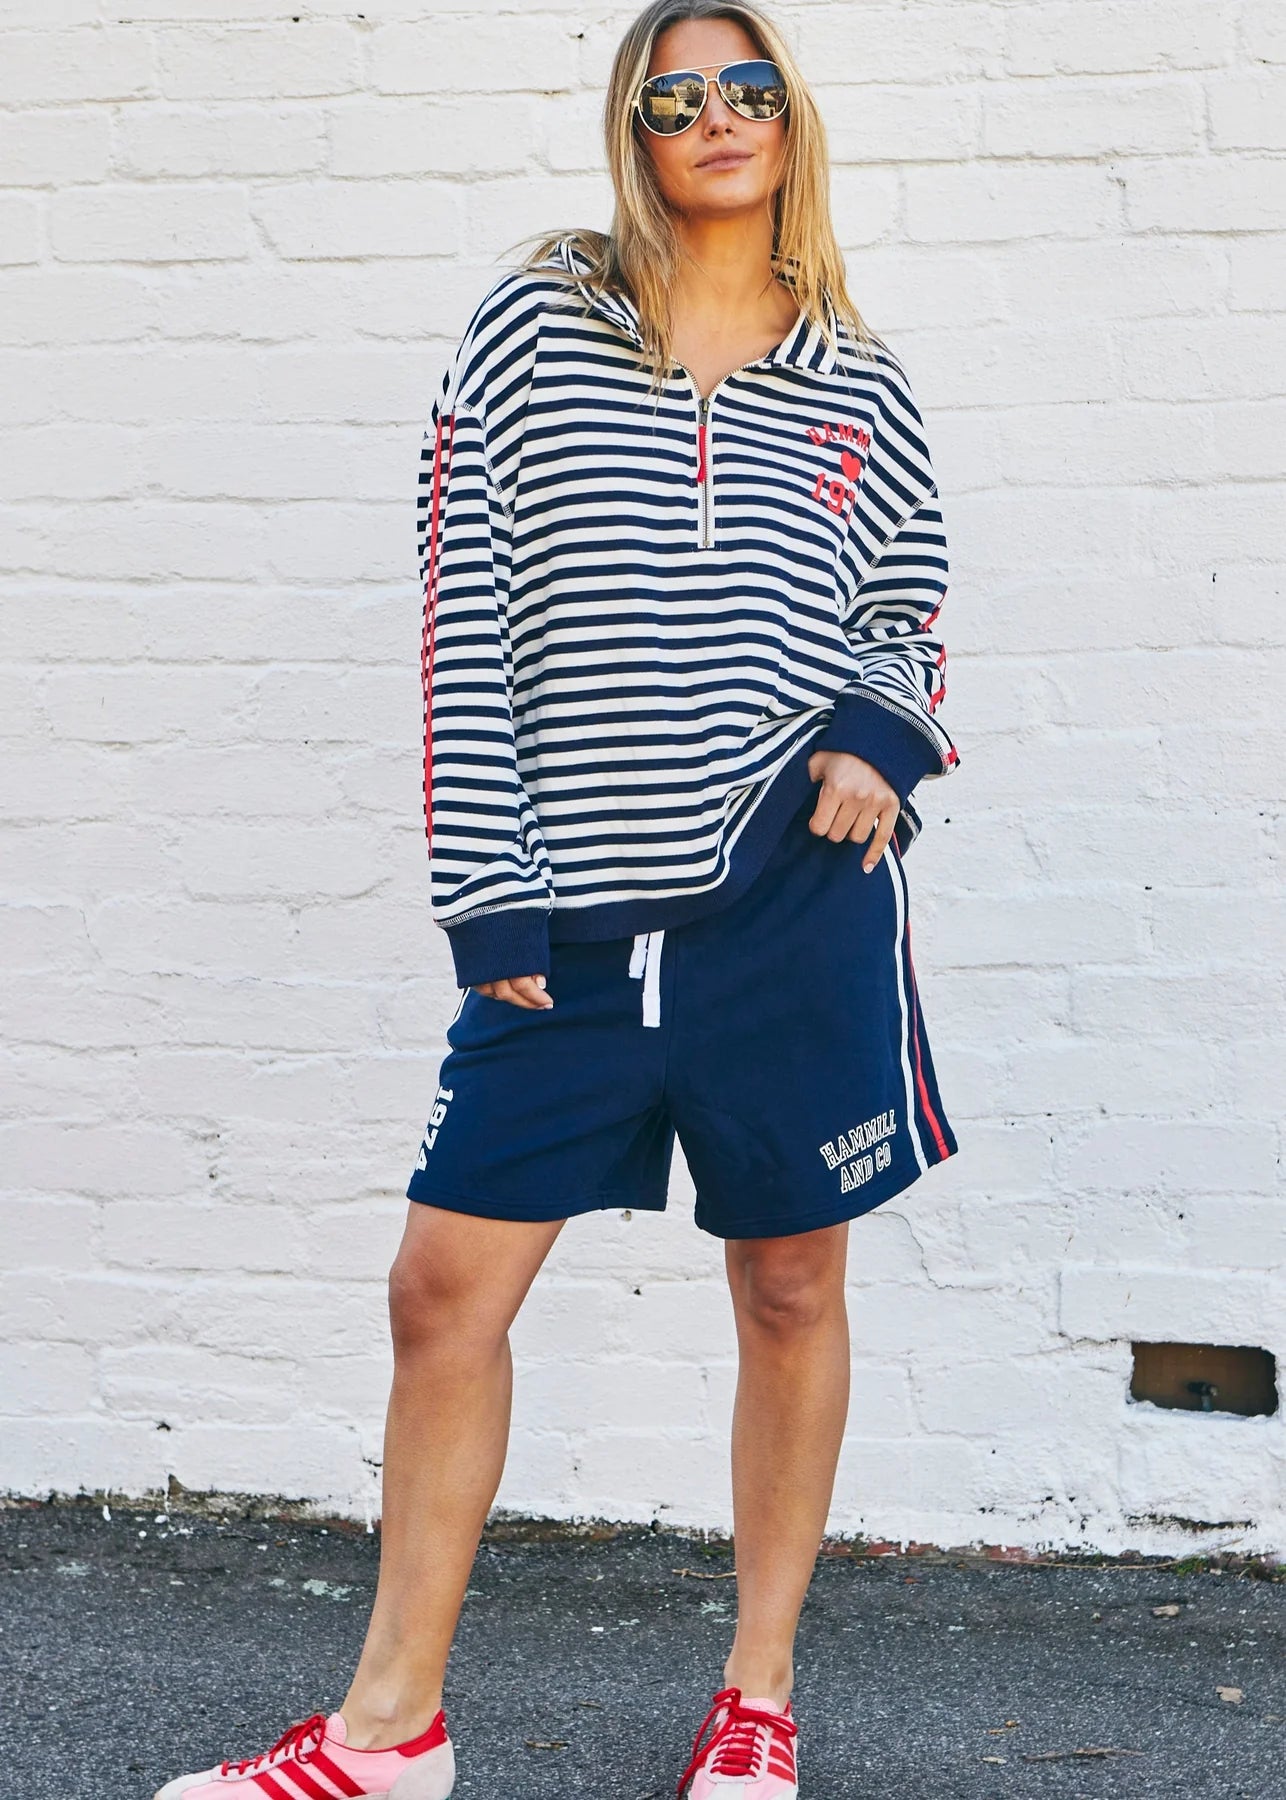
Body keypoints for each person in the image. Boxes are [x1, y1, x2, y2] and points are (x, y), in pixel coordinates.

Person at [153, 4, 959, 1797]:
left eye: (748, 87)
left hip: (787, 905)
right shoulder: (534, 325)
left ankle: (756, 1703)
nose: (717, 117)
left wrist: (879, 742)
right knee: (445, 1287)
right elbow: (465, 619)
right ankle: (389, 1733)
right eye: (677, 97)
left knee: (787, 1290)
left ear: (788, 117)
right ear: (637, 132)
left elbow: (905, 606)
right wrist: (488, 908)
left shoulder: (861, 381)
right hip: (568, 926)